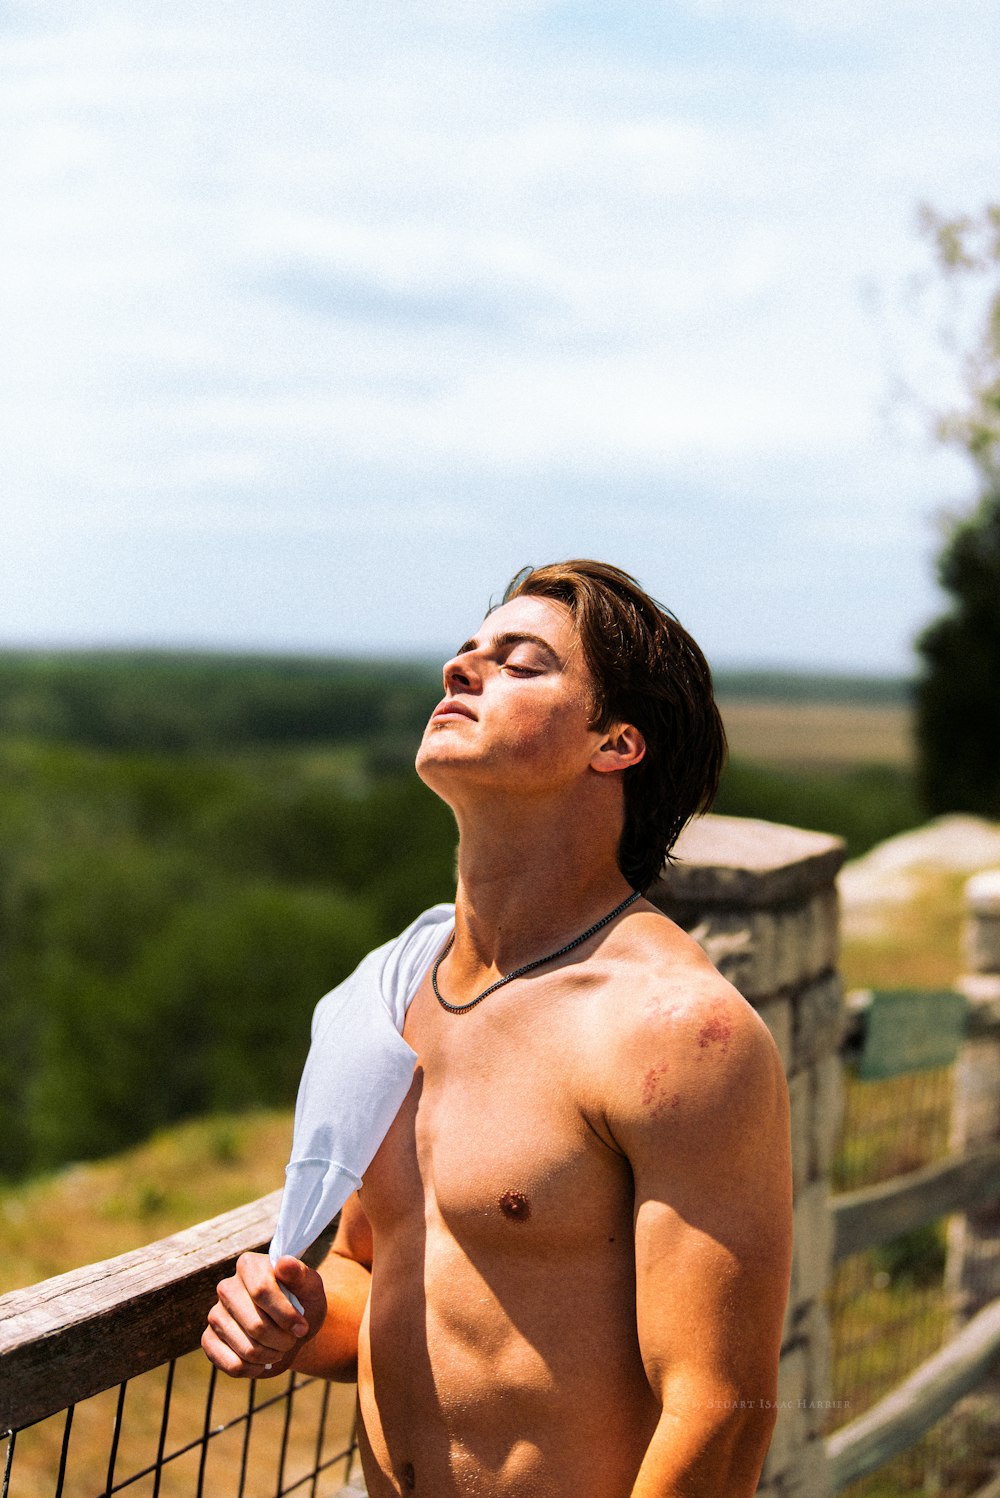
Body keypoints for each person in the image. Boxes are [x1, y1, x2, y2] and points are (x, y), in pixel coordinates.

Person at [202, 560, 793, 1498]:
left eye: (520, 663)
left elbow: (719, 1411)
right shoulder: (395, 996)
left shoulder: (670, 1030)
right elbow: (377, 1269)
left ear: (616, 743)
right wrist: (297, 1317)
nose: (462, 669)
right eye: (469, 651)